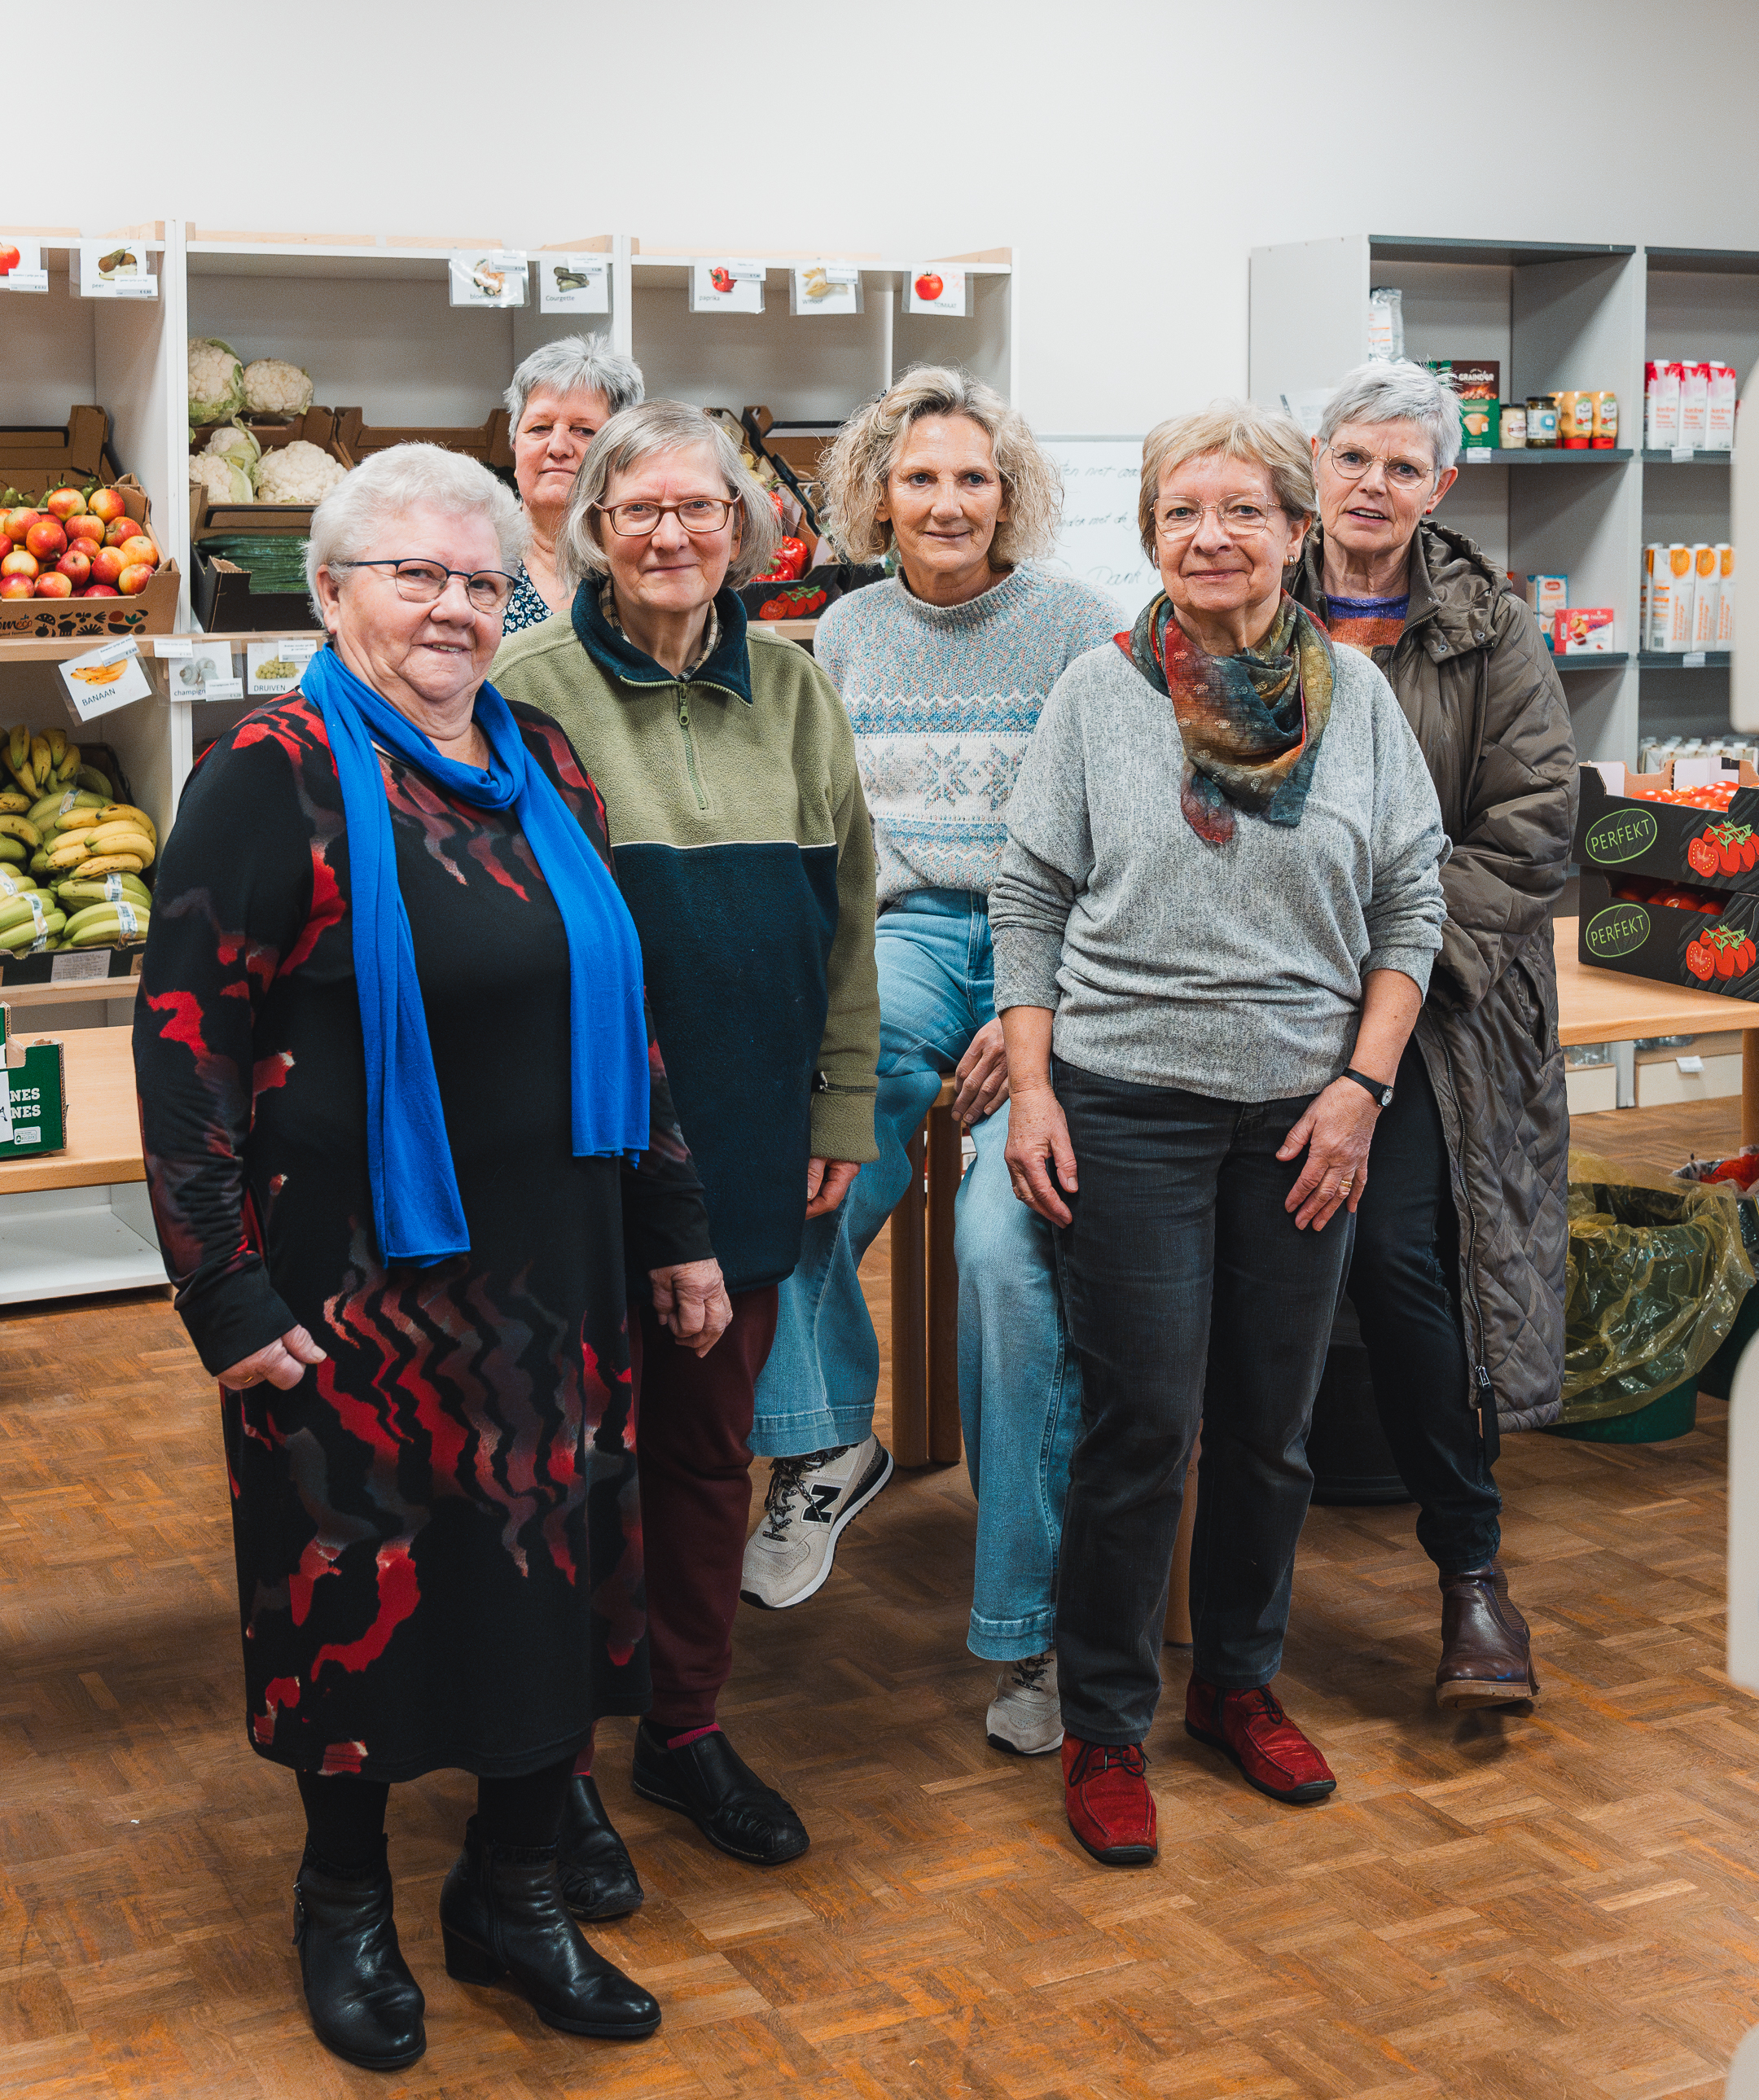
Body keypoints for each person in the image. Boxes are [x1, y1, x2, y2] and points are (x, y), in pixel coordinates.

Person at [133, 442, 733, 2069]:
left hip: (557, 1271)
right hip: (347, 1295)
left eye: (483, 581)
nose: (456, 608)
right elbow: (183, 1043)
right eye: (416, 575)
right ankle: (344, 1902)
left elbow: (624, 1017)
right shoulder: (270, 774)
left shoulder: (542, 760)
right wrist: (221, 1289)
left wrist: (675, 1230)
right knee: (363, 1598)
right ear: (332, 592)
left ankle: (513, 1893)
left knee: (548, 1585)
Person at [990, 401, 1446, 1865]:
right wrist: (1040, 1086)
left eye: (1245, 510)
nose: (1211, 536)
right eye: (1182, 511)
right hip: (1128, 1105)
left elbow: (1411, 904)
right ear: (1151, 535)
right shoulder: (1096, 693)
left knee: (1271, 1426)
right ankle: (1109, 1723)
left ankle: (1237, 1689)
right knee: (1144, 1426)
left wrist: (1360, 1091)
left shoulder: (1360, 704)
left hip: (1304, 1113)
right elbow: (1031, 898)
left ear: (1299, 534)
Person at [491, 401, 879, 1892]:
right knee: (571, 1461)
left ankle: (685, 1724)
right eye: (637, 511)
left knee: (712, 1453)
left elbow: (852, 917)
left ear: (745, 530)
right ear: (593, 526)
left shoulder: (793, 689)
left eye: (699, 512)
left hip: (753, 1134)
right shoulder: (527, 690)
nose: (669, 537)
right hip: (577, 1159)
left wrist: (841, 1103)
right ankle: (557, 1766)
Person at [739, 366, 1118, 1760]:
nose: (947, 501)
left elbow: (1123, 848)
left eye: (972, 477)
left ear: (1008, 493)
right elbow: (835, 844)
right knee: (803, 1164)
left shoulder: (1085, 630)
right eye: (919, 478)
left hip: (1055, 955)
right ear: (875, 496)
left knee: (1002, 1256)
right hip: (897, 936)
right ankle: (830, 1433)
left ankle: (1031, 1636)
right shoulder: (842, 630)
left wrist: (1035, 1021)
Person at [1287, 359, 1577, 1708]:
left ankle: (1471, 1575)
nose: (1375, 487)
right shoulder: (1239, 591)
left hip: (1430, 1015)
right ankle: (1216, 1588)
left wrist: (1387, 969)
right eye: (1356, 459)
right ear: (1316, 458)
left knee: (1404, 1259)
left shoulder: (1487, 630)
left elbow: (1527, 837)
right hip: (1254, 997)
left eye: (1406, 468)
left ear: (1441, 488)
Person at [501, 333, 645, 633]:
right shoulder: (477, 556)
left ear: (622, 453)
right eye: (540, 428)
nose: (558, 447)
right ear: (515, 446)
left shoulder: (647, 560)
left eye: (583, 431)